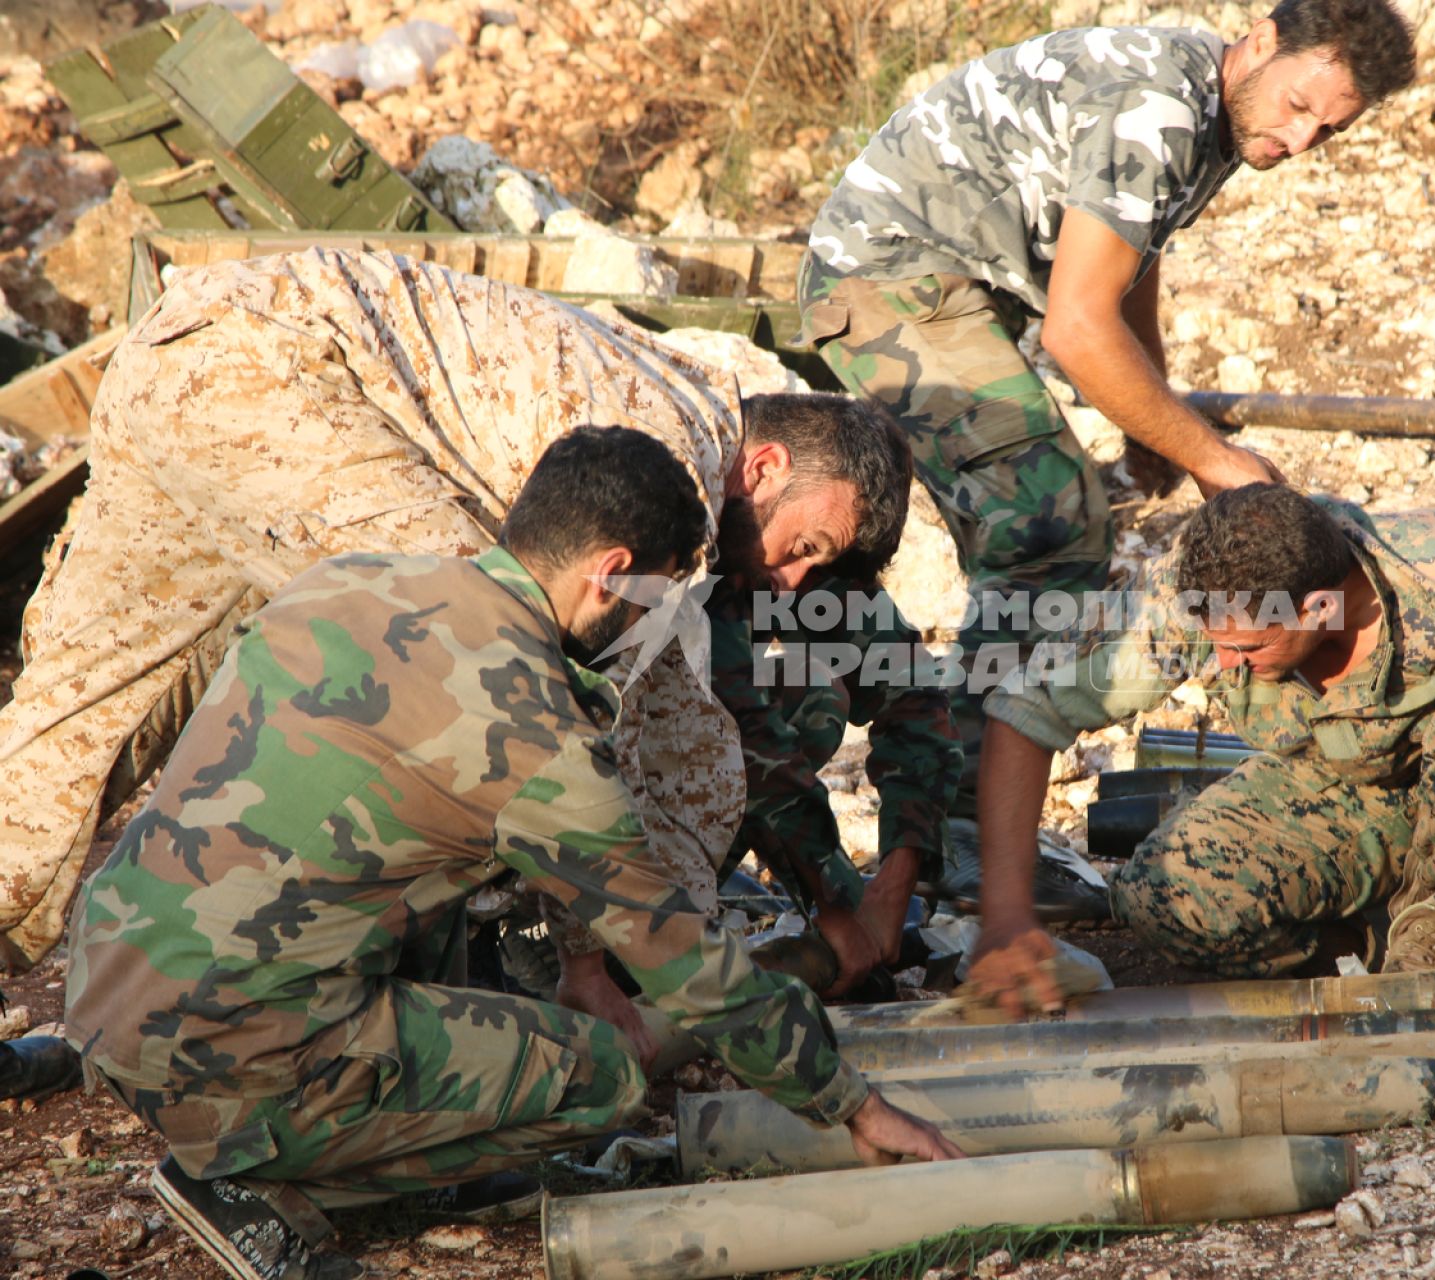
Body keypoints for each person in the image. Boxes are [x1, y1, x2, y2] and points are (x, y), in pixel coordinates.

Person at [63, 427, 961, 1280]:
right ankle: (255, 1174)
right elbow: (695, 971)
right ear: (612, 575)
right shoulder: (531, 734)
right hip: (232, 1053)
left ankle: (349, 1137)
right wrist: (854, 1107)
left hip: (110, 985)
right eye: (663, 593)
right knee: (605, 1078)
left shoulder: (349, 580)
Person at [0, 247, 910, 972]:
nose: (788, 582)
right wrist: (604, 960)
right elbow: (593, 731)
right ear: (767, 469)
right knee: (464, 658)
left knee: (72, 730)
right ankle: (403, 986)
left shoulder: (679, 384)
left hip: (177, 349)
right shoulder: (666, 465)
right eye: (804, 549)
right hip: (271, 379)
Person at [796, 0, 1418, 807]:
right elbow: (1078, 329)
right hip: (887, 274)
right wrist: (1215, 458)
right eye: (1300, 109)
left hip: (937, 281)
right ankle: (962, 831)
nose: (1300, 143)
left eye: (1328, 132)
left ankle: (933, 788)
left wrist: (1153, 403)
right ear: (1261, 42)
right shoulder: (1159, 105)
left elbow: (1129, 250)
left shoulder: (1215, 104)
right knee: (1048, 523)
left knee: (1023, 527)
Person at [965, 485, 1435, 1033]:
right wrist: (1004, 918)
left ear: (1319, 608)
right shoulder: (1213, 594)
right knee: (1167, 897)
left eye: (1247, 649)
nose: (1222, 664)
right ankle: (1374, 940)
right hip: (1355, 784)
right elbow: (1028, 713)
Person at [708, 565, 961, 993]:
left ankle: (675, 912)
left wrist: (896, 880)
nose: (795, 575)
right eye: (806, 548)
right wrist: (837, 906)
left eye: (820, 552)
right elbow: (752, 741)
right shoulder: (692, 550)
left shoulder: (807, 546)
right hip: (585, 813)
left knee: (813, 692)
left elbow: (911, 686)